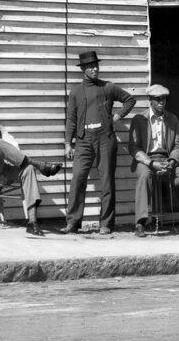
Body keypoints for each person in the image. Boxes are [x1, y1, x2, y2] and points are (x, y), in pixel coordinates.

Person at [0, 90, 62, 236]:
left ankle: (32, 222)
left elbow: (15, 147)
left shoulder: (0, 128)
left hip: (3, 169)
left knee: (28, 169)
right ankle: (41, 165)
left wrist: (4, 151)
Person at [62, 50, 136, 235]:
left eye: (96, 66)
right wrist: (67, 143)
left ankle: (106, 224)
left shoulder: (108, 87)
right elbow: (71, 119)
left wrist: (117, 116)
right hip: (83, 140)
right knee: (78, 178)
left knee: (107, 181)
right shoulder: (76, 91)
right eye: (91, 66)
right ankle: (73, 222)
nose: (95, 69)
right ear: (83, 69)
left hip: (105, 139)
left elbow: (129, 99)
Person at [128, 84, 179, 238]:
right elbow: (134, 148)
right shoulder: (139, 120)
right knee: (144, 176)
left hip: (167, 159)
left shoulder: (172, 119)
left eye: (163, 99)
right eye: (157, 99)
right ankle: (140, 223)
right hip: (146, 160)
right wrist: (151, 163)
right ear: (150, 100)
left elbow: (178, 146)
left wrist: (172, 161)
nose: (161, 103)